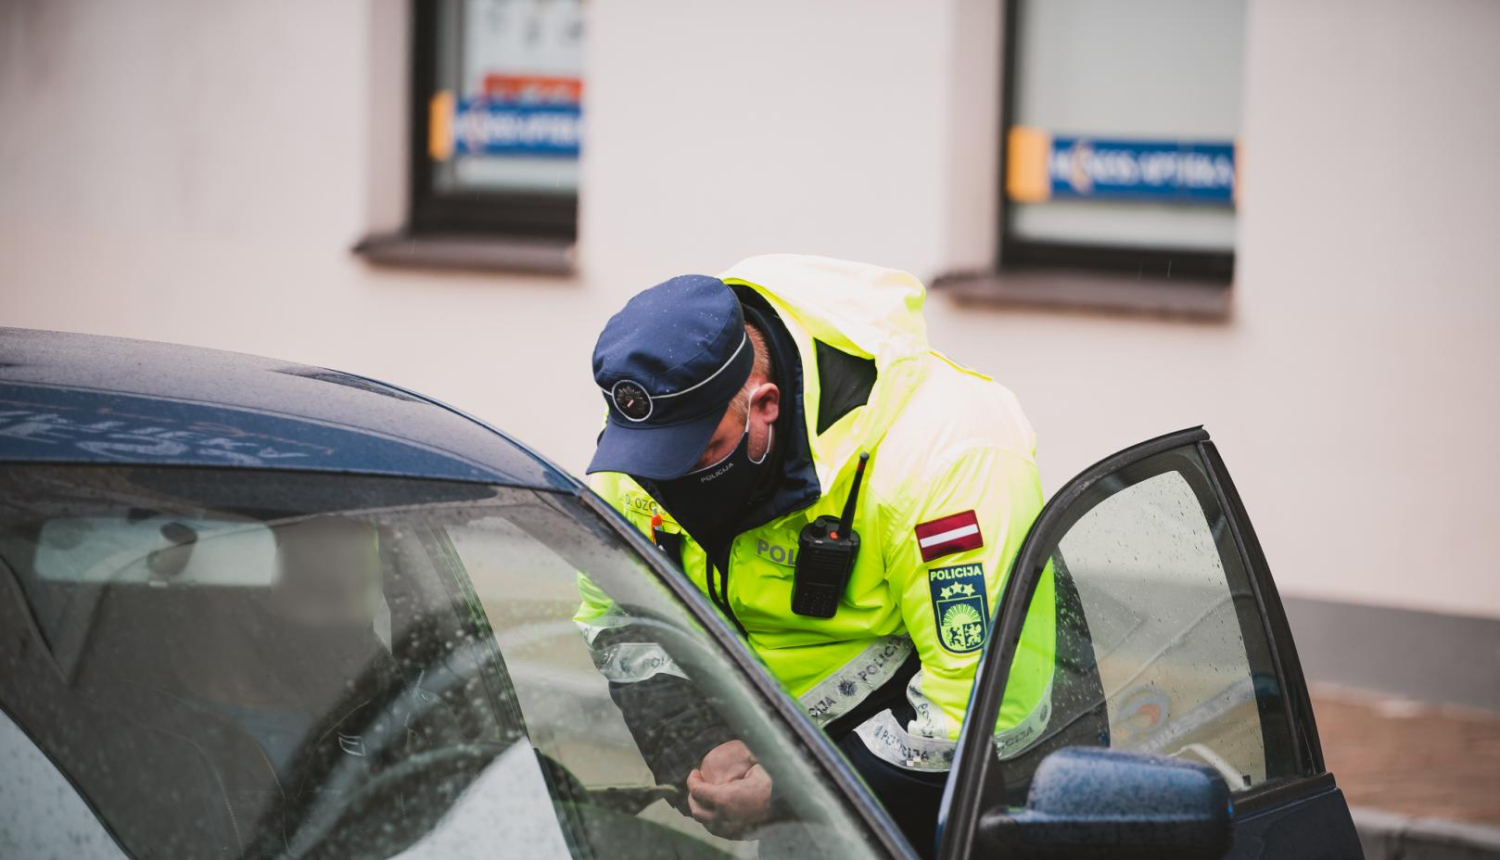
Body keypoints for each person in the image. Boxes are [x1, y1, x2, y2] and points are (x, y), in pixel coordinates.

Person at [580, 254, 1056, 856]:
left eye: (701, 454)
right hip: (795, 778)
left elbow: (976, 712)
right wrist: (697, 744)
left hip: (994, 787)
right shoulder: (648, 446)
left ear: (766, 405)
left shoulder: (947, 454)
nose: (669, 481)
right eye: (657, 461)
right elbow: (618, 620)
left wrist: (793, 792)